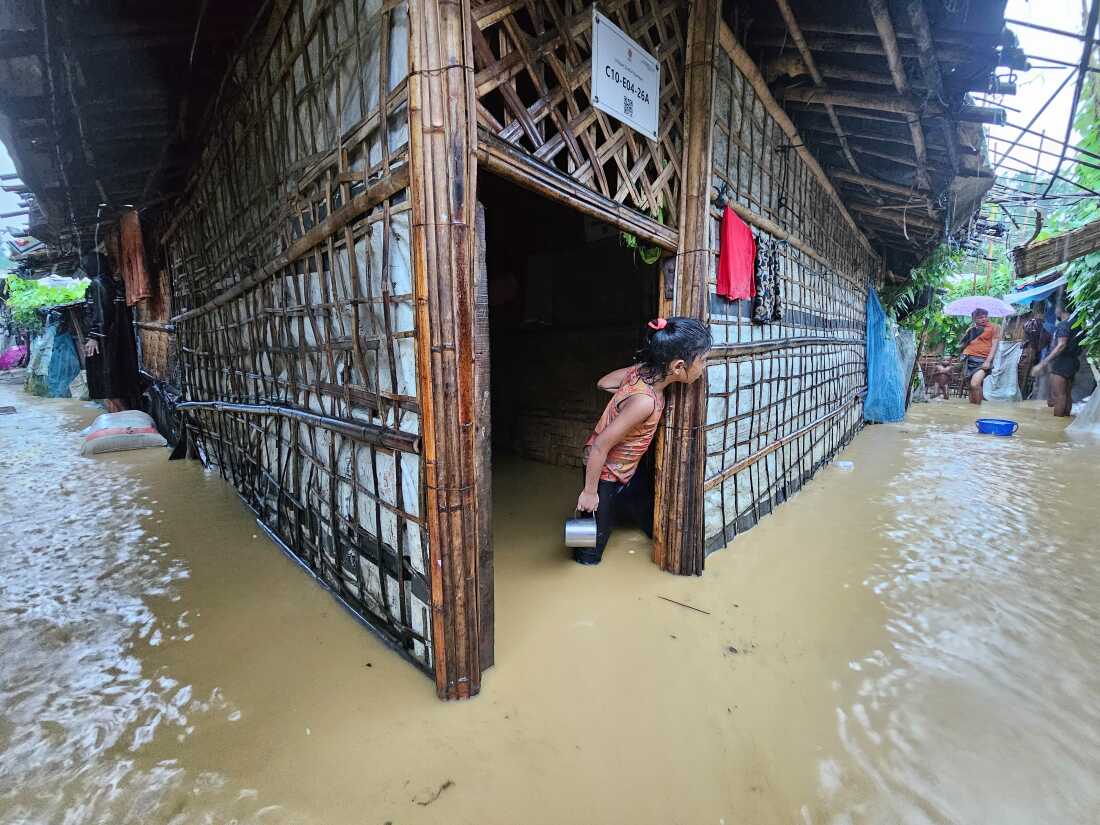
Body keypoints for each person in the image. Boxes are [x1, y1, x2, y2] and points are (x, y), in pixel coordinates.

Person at [573, 316, 712, 565]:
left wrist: (625, 396)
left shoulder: (639, 373)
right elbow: (600, 445)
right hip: (603, 473)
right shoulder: (644, 401)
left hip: (627, 470)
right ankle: (581, 557)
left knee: (648, 518)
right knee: (587, 550)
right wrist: (589, 491)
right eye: (702, 361)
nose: (704, 366)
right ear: (679, 366)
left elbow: (604, 383)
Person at [82, 251, 140, 412]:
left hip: (106, 341)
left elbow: (102, 311)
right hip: (117, 338)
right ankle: (123, 420)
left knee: (109, 386)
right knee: (115, 385)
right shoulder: (111, 282)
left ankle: (126, 420)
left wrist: (94, 336)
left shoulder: (98, 284)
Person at [1031, 302, 1083, 417]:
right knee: (1066, 394)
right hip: (1073, 362)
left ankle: (1057, 424)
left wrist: (1044, 362)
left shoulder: (1064, 324)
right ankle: (1063, 425)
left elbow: (1061, 345)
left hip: (1062, 362)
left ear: (1061, 309)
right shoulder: (1077, 324)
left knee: (1059, 395)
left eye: (1056, 308)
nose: (1055, 311)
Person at [959, 308, 1000, 405]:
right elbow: (964, 344)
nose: (984, 319)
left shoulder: (994, 327)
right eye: (980, 317)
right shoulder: (971, 329)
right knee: (970, 387)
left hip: (982, 360)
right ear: (974, 318)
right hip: (968, 358)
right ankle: (972, 410)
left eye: (986, 316)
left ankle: (977, 409)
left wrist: (988, 361)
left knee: (975, 384)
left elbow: (995, 346)